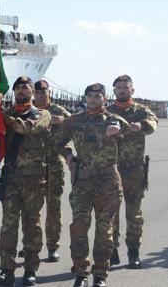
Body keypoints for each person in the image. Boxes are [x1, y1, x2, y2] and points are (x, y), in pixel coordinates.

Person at [58, 83, 128, 287]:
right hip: (83, 181)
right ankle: (81, 273)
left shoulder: (113, 119)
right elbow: (58, 141)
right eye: (90, 96)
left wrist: (118, 130)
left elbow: (128, 132)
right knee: (79, 227)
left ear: (105, 98)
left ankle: (100, 275)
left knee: (105, 230)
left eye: (98, 96)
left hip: (108, 181)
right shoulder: (75, 120)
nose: (93, 100)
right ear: (85, 97)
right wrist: (69, 155)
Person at [0, 76, 51, 287]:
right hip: (12, 178)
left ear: (33, 92)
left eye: (26, 87)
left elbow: (29, 128)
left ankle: (30, 270)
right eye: (18, 88)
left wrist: (4, 117)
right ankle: (7, 269)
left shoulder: (42, 114)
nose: (21, 90)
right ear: (14, 92)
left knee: (32, 226)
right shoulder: (5, 115)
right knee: (8, 226)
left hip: (34, 179)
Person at [108, 75, 158, 269]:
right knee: (111, 213)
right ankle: (111, 251)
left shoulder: (140, 111)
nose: (122, 90)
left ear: (132, 90)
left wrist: (142, 125)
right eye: (119, 87)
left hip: (135, 171)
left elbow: (153, 123)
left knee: (134, 214)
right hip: (112, 170)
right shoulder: (108, 112)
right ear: (114, 91)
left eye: (125, 87)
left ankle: (133, 252)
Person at [32, 80, 72, 263]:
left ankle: (52, 247)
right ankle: (31, 245)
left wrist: (62, 121)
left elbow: (76, 126)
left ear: (49, 93)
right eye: (37, 92)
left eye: (44, 92)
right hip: (33, 166)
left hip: (54, 166)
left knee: (53, 208)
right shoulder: (29, 110)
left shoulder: (58, 110)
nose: (40, 95)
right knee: (31, 210)